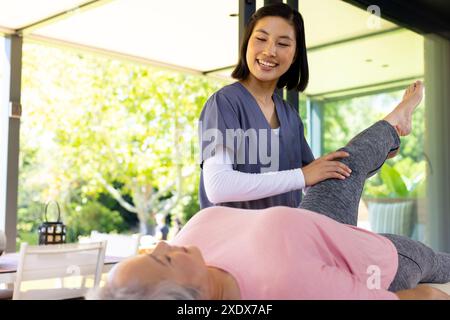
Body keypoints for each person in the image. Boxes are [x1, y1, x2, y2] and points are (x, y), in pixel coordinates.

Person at [88, 81, 450, 300]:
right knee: (436, 264)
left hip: (309, 225)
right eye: (163, 259)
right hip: (367, 257)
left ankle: (394, 123)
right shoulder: (287, 287)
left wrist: (308, 175)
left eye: (152, 250)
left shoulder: (194, 237)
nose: (165, 243)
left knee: (341, 165)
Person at [198, 3, 352, 209]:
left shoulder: (291, 117)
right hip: (232, 239)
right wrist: (302, 176)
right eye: (261, 39)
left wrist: (380, 148)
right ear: (247, 43)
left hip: (279, 238)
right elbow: (218, 186)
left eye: (283, 44)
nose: (270, 51)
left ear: (295, 54)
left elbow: (316, 180)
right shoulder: (225, 103)